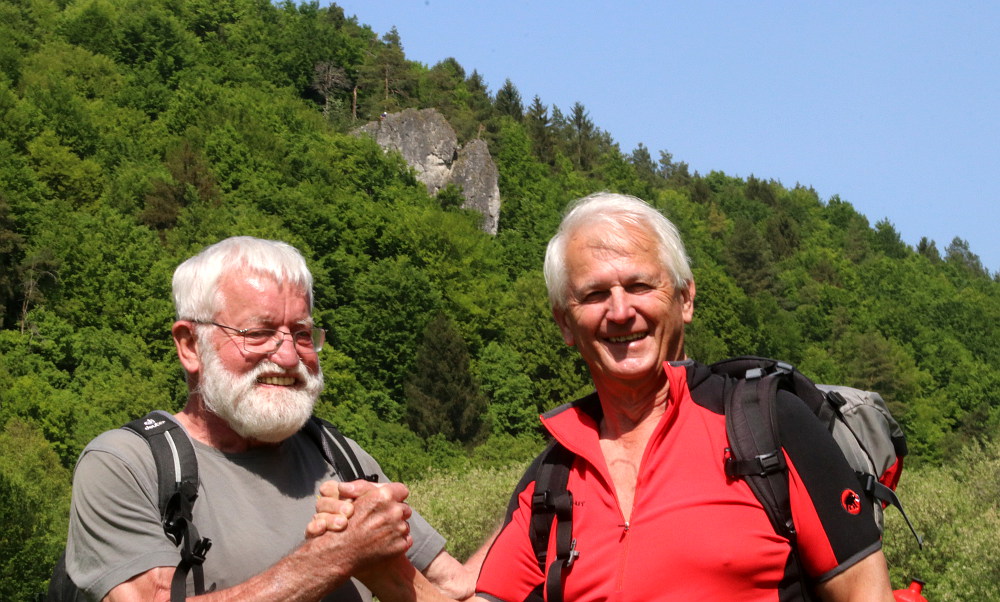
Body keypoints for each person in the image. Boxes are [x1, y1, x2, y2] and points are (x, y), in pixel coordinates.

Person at [323, 192, 896, 601]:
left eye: (641, 285)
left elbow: (865, 593)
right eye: (595, 294)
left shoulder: (769, 424)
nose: (620, 311)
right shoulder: (552, 478)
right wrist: (381, 567)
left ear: (685, 299)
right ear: (565, 323)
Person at [63, 236, 475, 601]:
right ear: (190, 346)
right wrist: (335, 557)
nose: (289, 357)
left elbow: (457, 587)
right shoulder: (125, 464)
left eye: (300, 333)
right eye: (257, 333)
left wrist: (529, 504)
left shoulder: (338, 455)